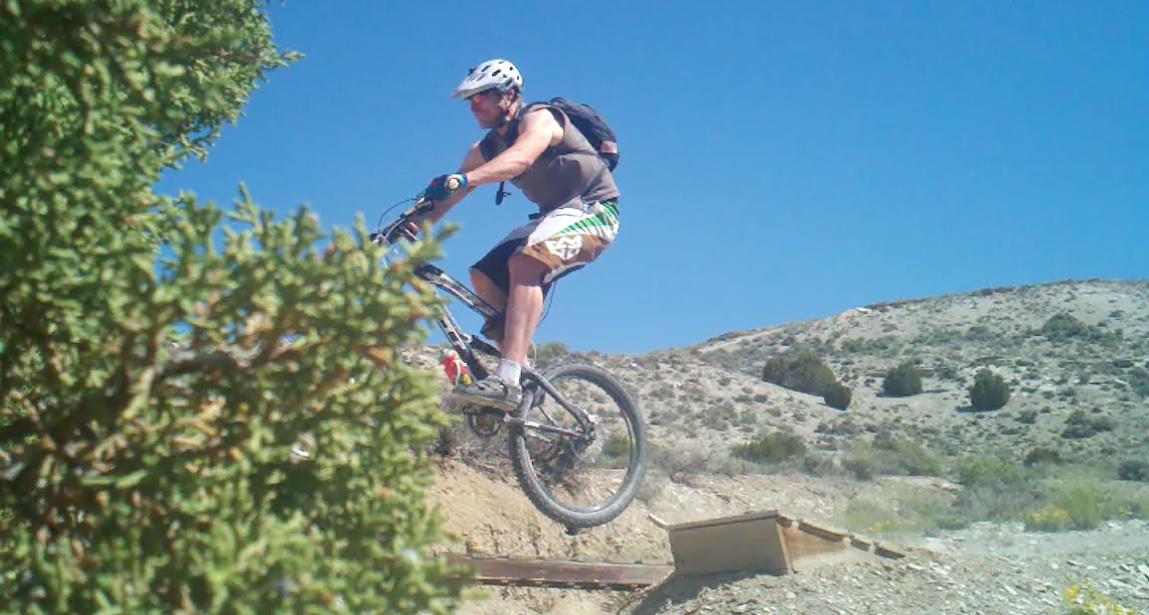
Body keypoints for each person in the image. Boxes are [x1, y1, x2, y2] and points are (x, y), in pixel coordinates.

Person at [415, 58, 621, 411]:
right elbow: (451, 194)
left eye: (481, 96)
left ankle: (508, 378)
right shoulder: (484, 149)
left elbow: (521, 160)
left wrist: (467, 178)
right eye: (470, 99)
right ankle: (521, 367)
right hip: (552, 218)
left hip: (594, 210)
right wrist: (412, 225)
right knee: (483, 275)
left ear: (509, 96)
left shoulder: (540, 118)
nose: (473, 105)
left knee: (525, 262)